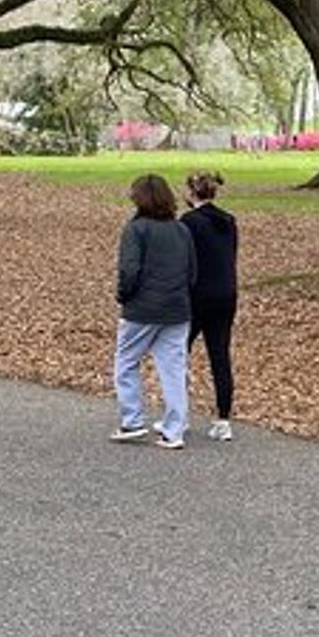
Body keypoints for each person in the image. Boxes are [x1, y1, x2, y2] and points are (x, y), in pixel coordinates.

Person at [110, 173, 197, 450]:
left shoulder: (136, 229)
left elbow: (129, 269)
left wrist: (124, 295)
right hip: (177, 308)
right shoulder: (181, 230)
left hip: (142, 309)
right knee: (172, 368)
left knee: (126, 362)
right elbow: (192, 271)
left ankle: (132, 419)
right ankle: (174, 429)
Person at [179, 170, 239, 441]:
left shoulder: (189, 222)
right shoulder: (228, 221)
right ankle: (223, 419)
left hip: (197, 295)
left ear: (192, 193)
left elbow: (185, 260)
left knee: (178, 353)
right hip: (226, 293)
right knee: (220, 355)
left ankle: (178, 414)